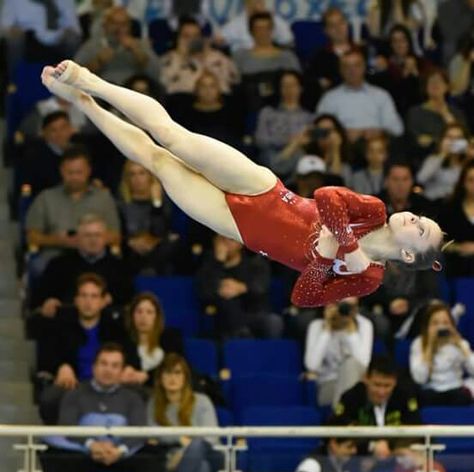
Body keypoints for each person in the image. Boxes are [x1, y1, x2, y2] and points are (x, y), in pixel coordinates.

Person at [40, 60, 444, 309]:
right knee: (173, 136)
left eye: (420, 229)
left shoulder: (368, 279)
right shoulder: (374, 212)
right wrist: (346, 244)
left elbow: (303, 296)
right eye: (421, 217)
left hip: (237, 226)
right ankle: (93, 82)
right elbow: (326, 196)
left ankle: (83, 104)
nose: (414, 217)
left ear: (409, 256)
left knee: (157, 162)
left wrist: (323, 259)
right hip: (264, 190)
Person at [40, 342, 163, 472]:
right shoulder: (75, 394)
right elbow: (67, 427)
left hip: (121, 455)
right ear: (94, 367)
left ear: (122, 370)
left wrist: (119, 450)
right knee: (59, 462)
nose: (108, 370)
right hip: (84, 454)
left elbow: (139, 431)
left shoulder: (133, 398)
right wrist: (91, 445)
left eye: (115, 365)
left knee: (153, 460)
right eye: (104, 364)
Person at [32, 273, 129, 423]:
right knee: (50, 398)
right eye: (83, 296)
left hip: (109, 385)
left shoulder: (116, 328)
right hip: (73, 386)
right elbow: (46, 357)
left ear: (104, 301)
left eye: (94, 296)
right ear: (76, 300)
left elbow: (128, 357)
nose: (88, 302)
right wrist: (61, 367)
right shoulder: (60, 324)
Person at [25, 145, 120, 275]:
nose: (74, 177)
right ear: (61, 171)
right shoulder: (46, 198)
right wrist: (60, 240)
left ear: (88, 171)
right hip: (55, 255)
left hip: (95, 256)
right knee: (39, 266)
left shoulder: (103, 198)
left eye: (79, 172)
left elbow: (115, 236)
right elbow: (32, 237)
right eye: (70, 173)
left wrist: (88, 240)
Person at [148, 353, 223, 472]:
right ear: (160, 378)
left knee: (198, 444)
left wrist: (184, 452)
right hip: (170, 457)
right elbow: (152, 436)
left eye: (178, 373)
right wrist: (179, 438)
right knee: (202, 469)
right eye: (168, 373)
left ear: (185, 378)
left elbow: (210, 437)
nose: (172, 378)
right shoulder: (153, 404)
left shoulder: (202, 401)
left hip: (210, 454)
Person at [30, 213, 132, 311]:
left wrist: (112, 300)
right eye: (88, 235)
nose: (93, 240)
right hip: (66, 322)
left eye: (98, 235)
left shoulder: (120, 268)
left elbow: (130, 302)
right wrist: (48, 303)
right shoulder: (58, 265)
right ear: (78, 238)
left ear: (105, 238)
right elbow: (37, 301)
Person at [196, 233, 283, 339]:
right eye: (222, 240)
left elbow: (261, 288)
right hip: (223, 316)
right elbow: (205, 293)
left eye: (231, 240)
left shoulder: (255, 265)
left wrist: (242, 288)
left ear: (240, 243)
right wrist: (218, 263)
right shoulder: (209, 266)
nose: (226, 244)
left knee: (274, 321)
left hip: (253, 312)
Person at [334, 355, 421, 456]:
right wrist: (371, 446)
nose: (381, 392)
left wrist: (389, 446)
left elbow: (415, 428)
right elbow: (337, 429)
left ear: (395, 382)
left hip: (396, 457)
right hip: (359, 458)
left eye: (387, 385)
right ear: (366, 378)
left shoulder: (405, 396)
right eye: (377, 384)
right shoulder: (351, 397)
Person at [315, 49, 404, 144]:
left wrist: (377, 132)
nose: (352, 70)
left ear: (364, 67)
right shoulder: (329, 98)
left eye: (356, 65)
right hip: (343, 148)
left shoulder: (381, 95)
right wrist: (343, 134)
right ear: (340, 70)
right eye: (346, 67)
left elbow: (397, 129)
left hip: (375, 148)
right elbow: (319, 132)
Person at [304, 298, 374, 407]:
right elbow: (312, 365)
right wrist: (326, 330)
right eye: (339, 304)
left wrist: (350, 330)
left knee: (350, 364)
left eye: (349, 306)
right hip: (329, 383)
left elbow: (363, 363)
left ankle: (341, 416)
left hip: (357, 383)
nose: (343, 309)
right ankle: (344, 415)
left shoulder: (364, 324)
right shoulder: (317, 325)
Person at [117, 159, 178, 276]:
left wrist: (156, 203)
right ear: (127, 178)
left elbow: (160, 231)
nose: (137, 179)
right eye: (132, 174)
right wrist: (130, 242)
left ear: (150, 176)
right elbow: (118, 231)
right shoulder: (121, 203)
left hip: (158, 249)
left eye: (142, 173)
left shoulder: (164, 200)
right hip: (130, 250)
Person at [74, 6, 160, 84]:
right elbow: (75, 74)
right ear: (105, 25)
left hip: (133, 89)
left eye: (123, 24)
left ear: (129, 26)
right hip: (102, 89)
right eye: (114, 23)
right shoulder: (92, 45)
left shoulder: (139, 44)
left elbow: (156, 74)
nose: (118, 28)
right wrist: (98, 61)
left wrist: (138, 53)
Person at [409, 302, 474, 405]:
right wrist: (430, 346)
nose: (440, 327)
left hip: (456, 390)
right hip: (430, 391)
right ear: (427, 326)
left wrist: (461, 347)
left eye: (445, 323)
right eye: (435, 323)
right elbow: (420, 379)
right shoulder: (419, 343)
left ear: (452, 325)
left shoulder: (460, 344)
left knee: (463, 396)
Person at [254, 70, 313, 180]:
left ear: (301, 88)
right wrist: (290, 141)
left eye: (293, 85)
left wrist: (296, 144)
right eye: (284, 86)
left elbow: (310, 141)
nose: (289, 89)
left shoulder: (308, 117)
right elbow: (260, 140)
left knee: (301, 156)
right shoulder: (267, 112)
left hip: (298, 158)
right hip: (271, 155)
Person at [159, 17, 239, 96]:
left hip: (218, 101)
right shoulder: (171, 58)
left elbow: (235, 78)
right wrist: (182, 56)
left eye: (196, 36)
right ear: (178, 38)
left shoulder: (215, 55)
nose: (192, 40)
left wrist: (206, 58)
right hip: (183, 100)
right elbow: (164, 82)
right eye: (186, 36)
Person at [121, 292, 184, 388]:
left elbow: (176, 367)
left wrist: (147, 376)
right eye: (139, 312)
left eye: (149, 312)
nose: (143, 317)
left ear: (157, 317)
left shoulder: (171, 339)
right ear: (132, 316)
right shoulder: (124, 344)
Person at [406, 68, 468, 164]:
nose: (435, 84)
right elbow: (419, 144)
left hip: (455, 162)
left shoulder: (457, 113)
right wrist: (450, 143)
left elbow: (463, 146)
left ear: (447, 87)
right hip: (425, 162)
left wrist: (446, 116)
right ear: (425, 87)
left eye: (439, 81)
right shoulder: (415, 113)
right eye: (431, 82)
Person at [416, 123, 474, 202]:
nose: (454, 141)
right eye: (450, 137)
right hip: (433, 204)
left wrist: (469, 157)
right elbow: (421, 179)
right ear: (442, 139)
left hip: (459, 206)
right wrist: (442, 155)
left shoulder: (468, 162)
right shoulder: (434, 159)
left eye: (458, 138)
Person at [216, 0, 293, 53]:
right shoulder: (235, 25)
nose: (258, 2)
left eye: (260, 0)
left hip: (270, 61)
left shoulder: (275, 20)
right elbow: (219, 41)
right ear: (246, 2)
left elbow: (287, 40)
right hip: (245, 66)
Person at [439, 160, 474, 277]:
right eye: (471, 180)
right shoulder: (450, 209)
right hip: (457, 268)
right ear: (463, 182)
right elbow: (440, 242)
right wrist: (458, 248)